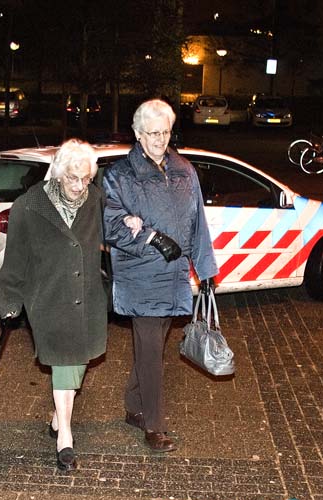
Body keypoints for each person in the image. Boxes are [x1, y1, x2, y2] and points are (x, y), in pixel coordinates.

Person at [103, 99, 218, 453]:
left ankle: (133, 405)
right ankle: (154, 425)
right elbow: (109, 226)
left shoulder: (184, 170)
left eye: (165, 132)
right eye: (152, 133)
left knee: (151, 348)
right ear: (137, 134)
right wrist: (149, 236)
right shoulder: (120, 175)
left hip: (175, 276)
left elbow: (198, 222)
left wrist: (207, 269)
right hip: (140, 277)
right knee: (152, 352)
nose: (159, 139)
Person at [0, 139, 108, 471]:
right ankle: (66, 439)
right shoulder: (29, 206)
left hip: (87, 297)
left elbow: (114, 234)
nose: (78, 186)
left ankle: (59, 418)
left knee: (78, 364)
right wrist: (10, 301)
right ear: (58, 173)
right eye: (72, 178)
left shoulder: (97, 201)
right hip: (48, 298)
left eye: (85, 179)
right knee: (65, 362)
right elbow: (14, 260)